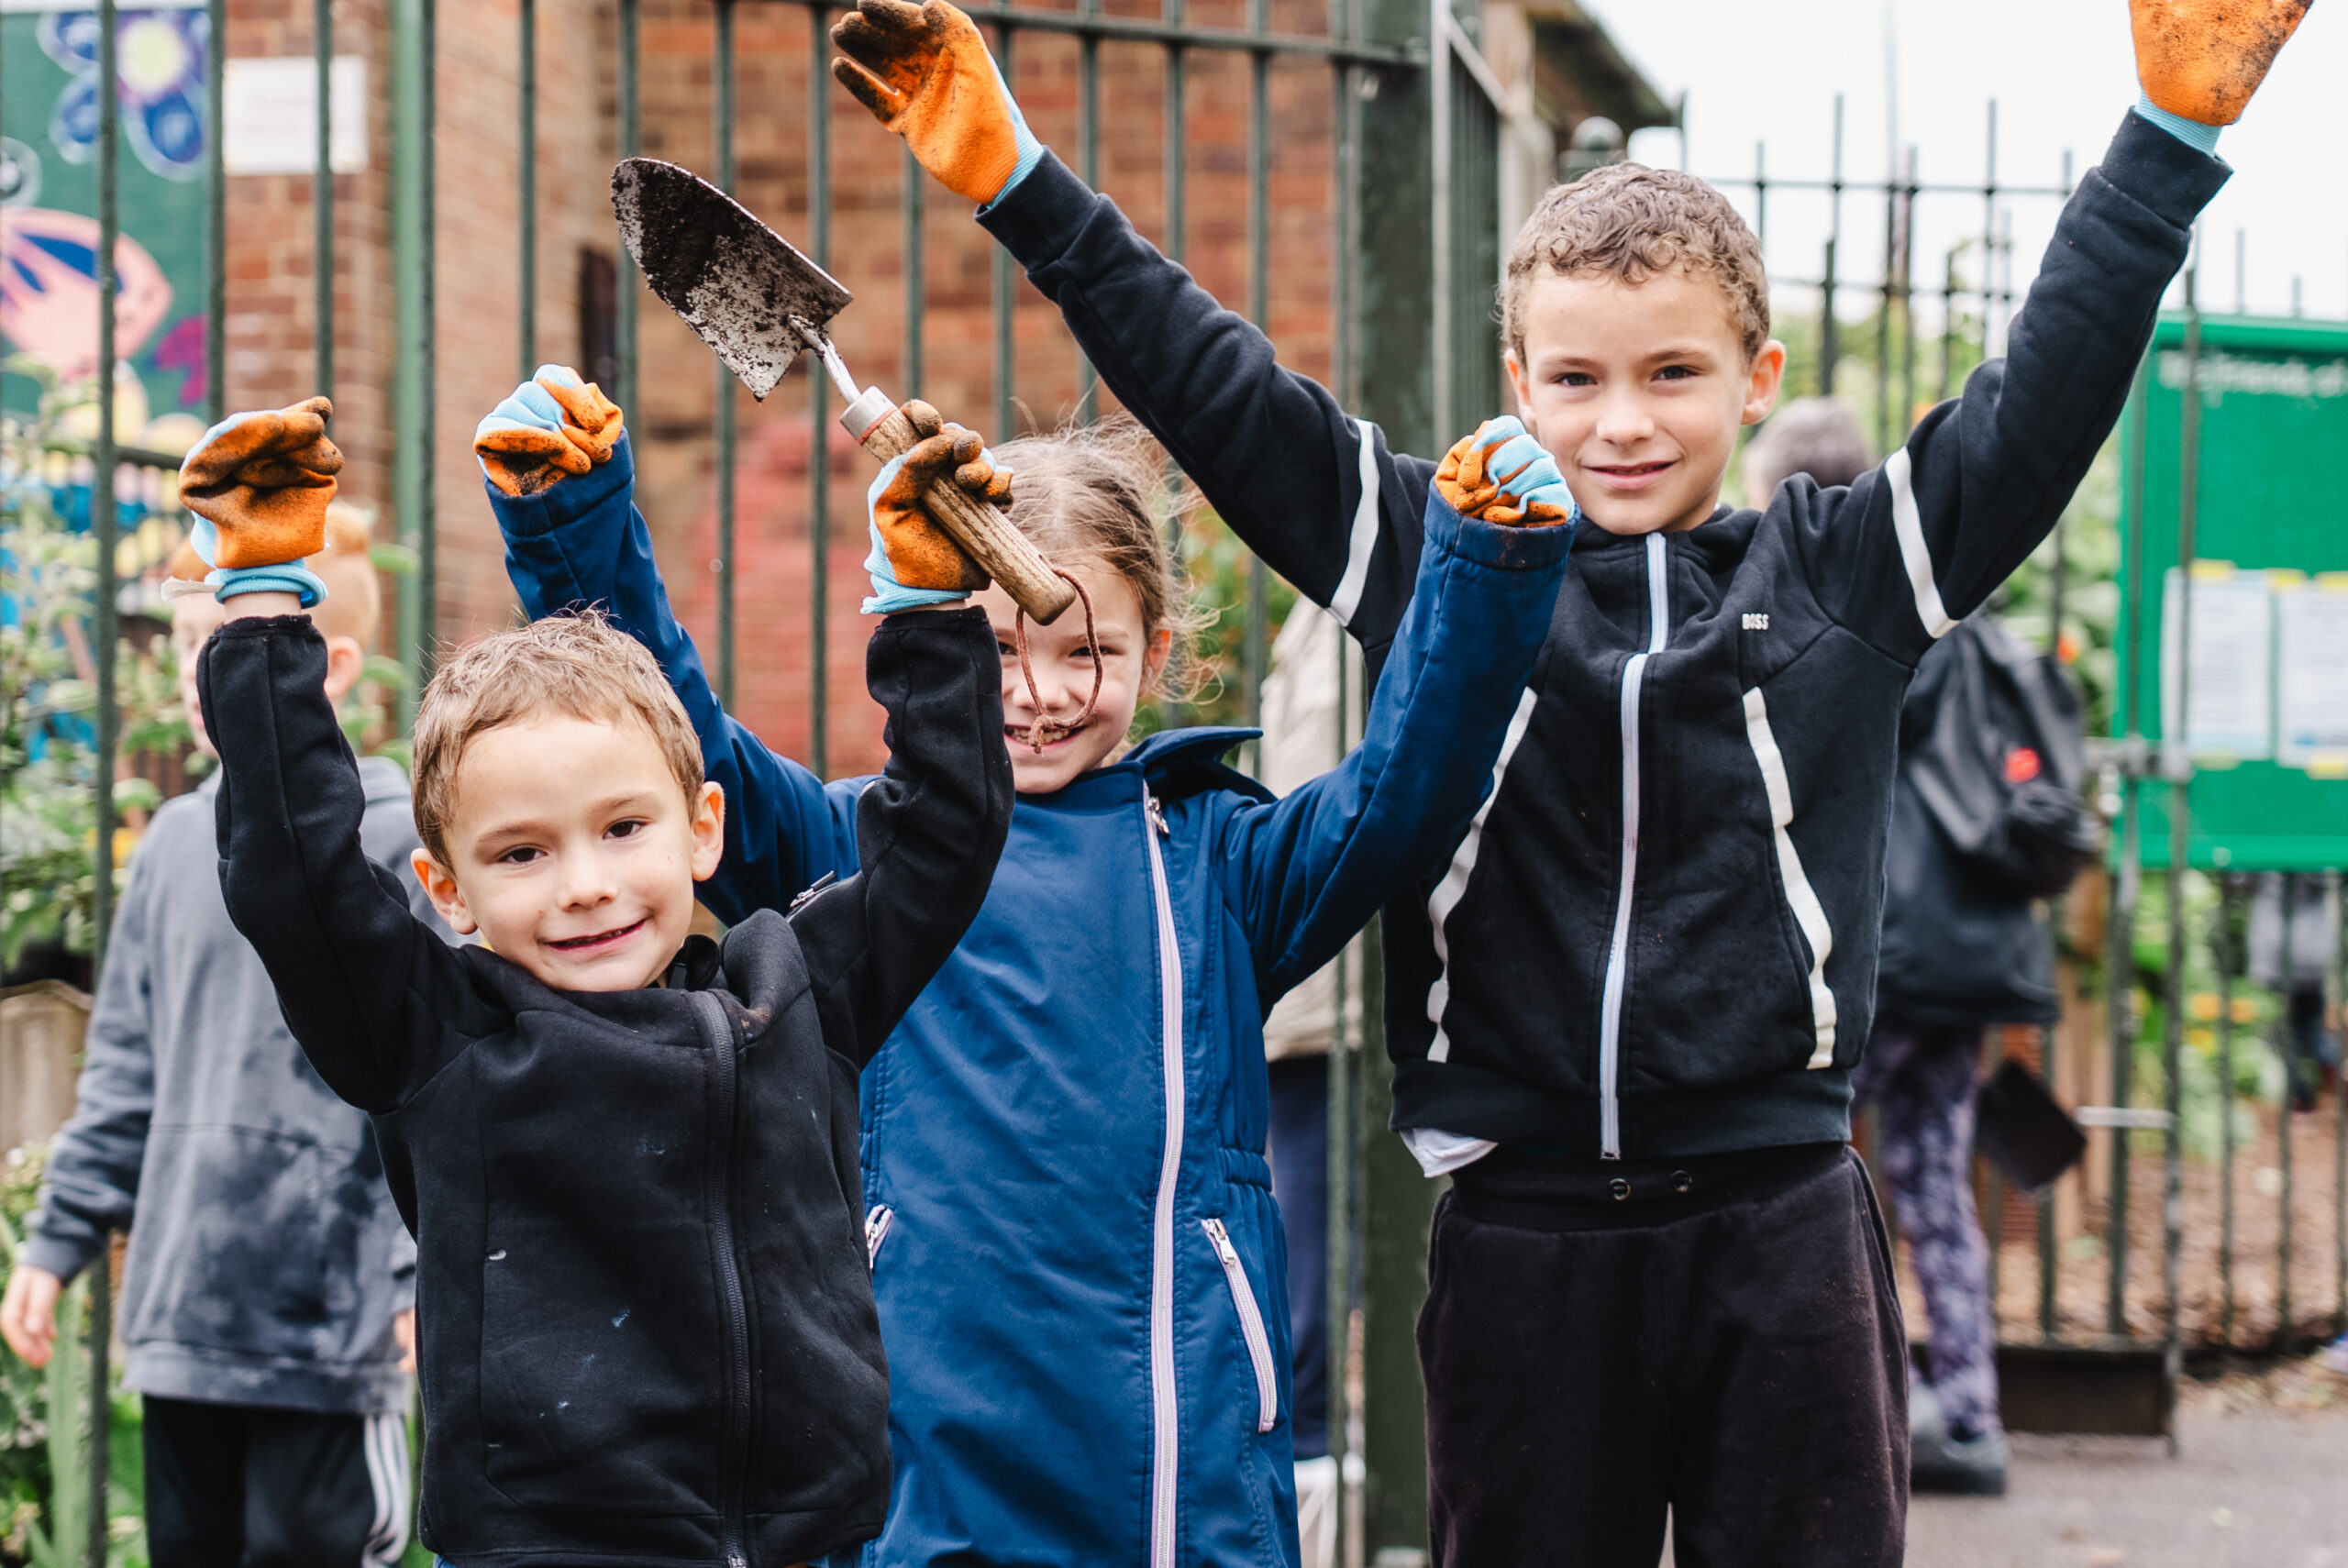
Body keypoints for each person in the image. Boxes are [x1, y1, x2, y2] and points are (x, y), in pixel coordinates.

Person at [826, 0, 2300, 1558]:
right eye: (1579, 378)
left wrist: (2169, 141)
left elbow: (2042, 399)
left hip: (1781, 1221)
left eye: (1672, 373)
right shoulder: (1439, 558)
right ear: (1516, 378)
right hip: (1523, 1236)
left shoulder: (1845, 573)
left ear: (1756, 376)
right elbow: (1215, 384)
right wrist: (1016, 178)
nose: (1622, 421)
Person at [488, 363, 1576, 1564]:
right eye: (1000, 647)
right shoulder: (848, 849)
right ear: (941, 633)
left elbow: (1401, 793)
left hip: (1176, 1474)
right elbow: (671, 731)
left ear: (1157, 649)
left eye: (1087, 649)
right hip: (913, 1458)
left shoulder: (1223, 859)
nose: (1042, 693)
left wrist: (1483, 574)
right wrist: (570, 516)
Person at [178, 390, 1016, 1566]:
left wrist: (928, 605)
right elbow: (291, 871)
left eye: (623, 828)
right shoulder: (435, 1039)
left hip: (802, 1540)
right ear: (448, 887)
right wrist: (263, 599)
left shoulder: (792, 995)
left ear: (703, 827)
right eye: (521, 852)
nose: (582, 884)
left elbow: (944, 835)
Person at [2, 494, 436, 1568]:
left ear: (327, 666)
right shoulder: (169, 847)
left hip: (331, 1333)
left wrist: (412, 1275)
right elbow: (124, 1073)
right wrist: (55, 1246)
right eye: (192, 646)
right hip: (188, 1320)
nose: (201, 678)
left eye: (223, 646)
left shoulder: (397, 842)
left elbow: (433, 1090)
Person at [1255, 601, 1361, 1568]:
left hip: (1336, 1007)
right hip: (1306, 1009)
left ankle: (1328, 1480)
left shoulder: (1344, 620)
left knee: (1315, 1281)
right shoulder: (1309, 621)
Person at [2248, 873, 2339, 1112]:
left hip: (2276, 960)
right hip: (2310, 959)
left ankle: (2302, 1096)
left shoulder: (2266, 855)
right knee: (2308, 1030)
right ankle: (2318, 1084)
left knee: (2288, 1032)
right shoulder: (2316, 856)